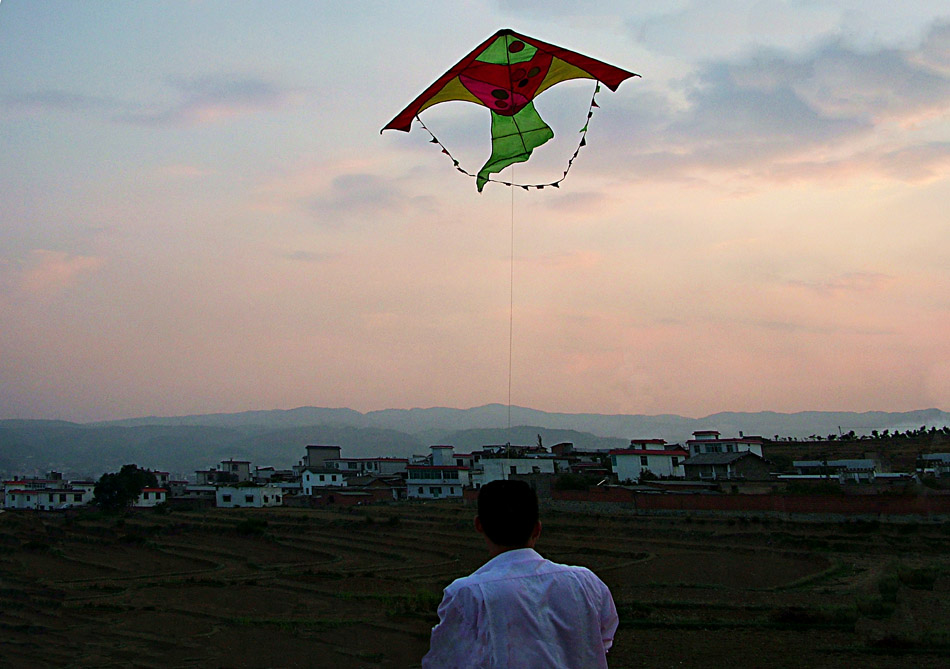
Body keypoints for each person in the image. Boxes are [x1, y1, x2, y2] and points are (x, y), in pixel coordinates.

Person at [422, 479, 619, 668]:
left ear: (479, 525)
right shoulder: (586, 582)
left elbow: (445, 661)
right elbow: (603, 641)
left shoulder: (468, 595)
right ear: (537, 528)